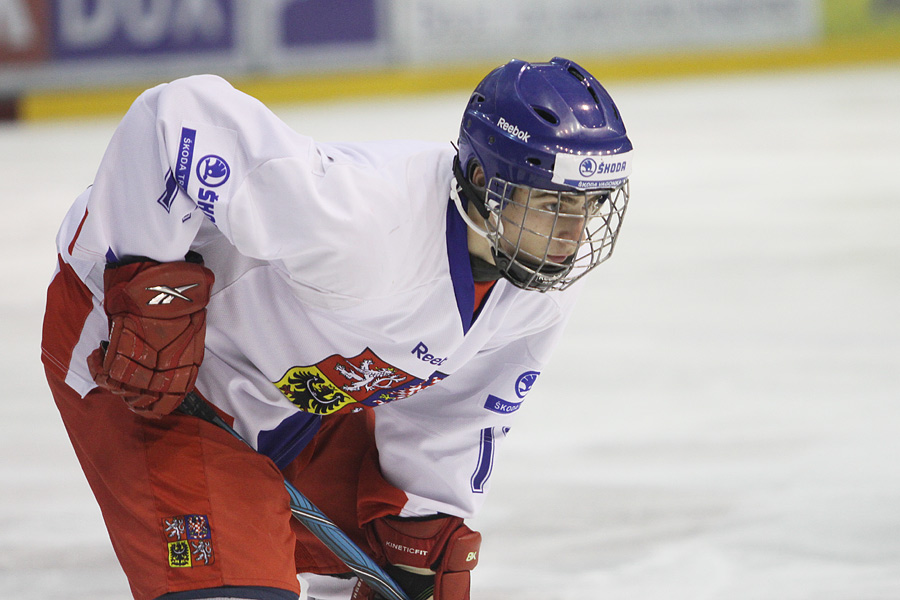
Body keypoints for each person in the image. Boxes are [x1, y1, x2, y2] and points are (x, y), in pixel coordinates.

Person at [41, 56, 633, 600]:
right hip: (144, 373)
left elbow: (460, 412)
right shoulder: (363, 223)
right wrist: (146, 285)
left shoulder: (539, 287)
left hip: (291, 406)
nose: (573, 236)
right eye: (554, 205)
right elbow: (176, 119)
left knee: (427, 556)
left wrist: (419, 534)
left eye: (590, 205)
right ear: (483, 181)